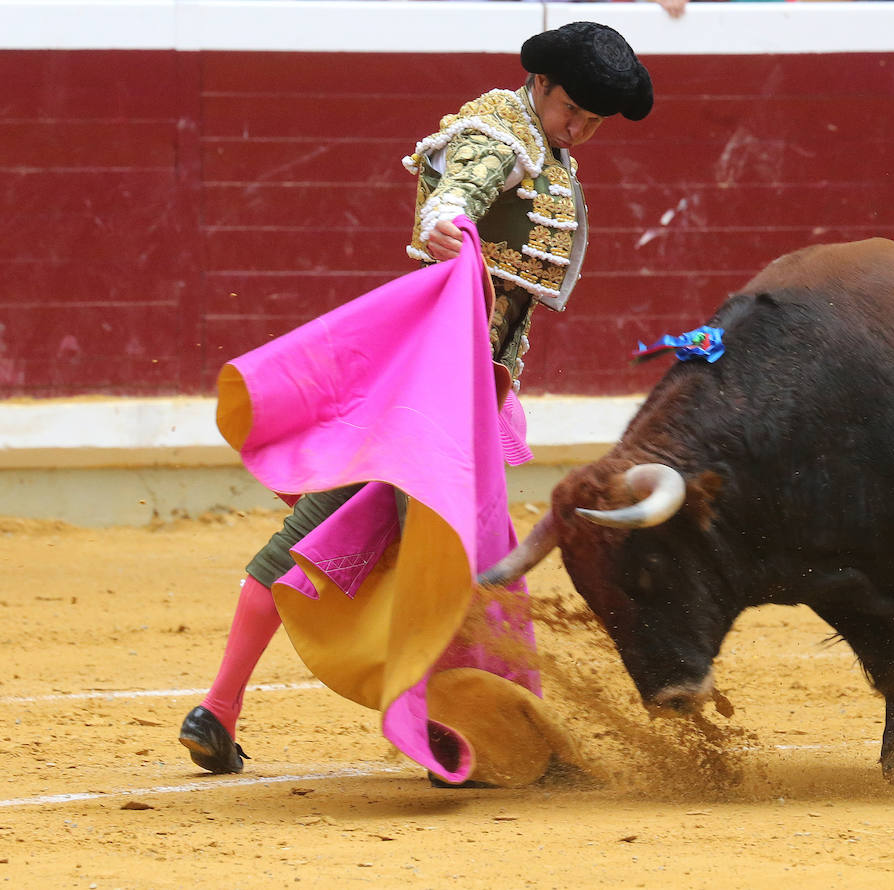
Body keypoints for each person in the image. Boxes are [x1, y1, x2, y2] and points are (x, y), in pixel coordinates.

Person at [178, 21, 654, 783]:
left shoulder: (544, 145)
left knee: (320, 534)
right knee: (455, 554)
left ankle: (218, 710)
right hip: (441, 394)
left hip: (435, 387)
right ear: (540, 85)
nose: (582, 130)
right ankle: (457, 736)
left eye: (596, 122)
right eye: (575, 111)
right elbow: (457, 191)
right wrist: (444, 220)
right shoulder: (502, 133)